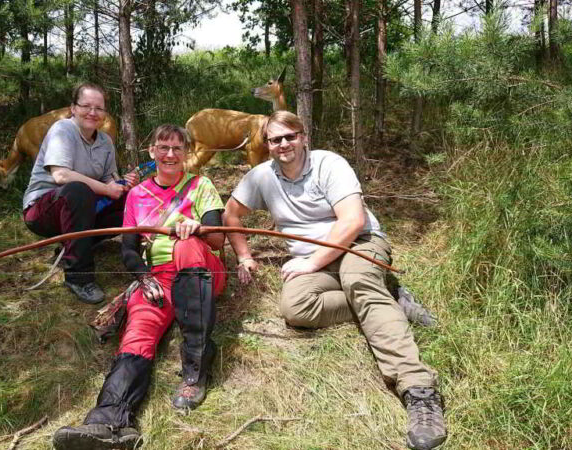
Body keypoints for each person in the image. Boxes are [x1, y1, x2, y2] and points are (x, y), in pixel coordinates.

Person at [222, 111, 447, 450]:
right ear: (266, 145)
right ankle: (389, 295)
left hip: (360, 244)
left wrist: (312, 261)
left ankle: (419, 391)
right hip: (314, 261)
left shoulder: (329, 164)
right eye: (274, 139)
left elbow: (353, 221)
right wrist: (244, 255)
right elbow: (231, 215)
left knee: (359, 282)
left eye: (289, 136)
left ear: (303, 137)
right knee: (296, 308)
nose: (283, 144)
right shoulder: (261, 177)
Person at [52, 124, 226, 449]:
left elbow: (219, 238)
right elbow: (129, 250)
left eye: (177, 148)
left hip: (201, 270)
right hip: (157, 278)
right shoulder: (137, 194)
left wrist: (198, 228)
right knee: (138, 333)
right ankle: (110, 422)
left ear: (186, 153)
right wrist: (143, 278)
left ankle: (195, 372)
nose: (170, 154)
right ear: (152, 152)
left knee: (185, 247)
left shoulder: (201, 185)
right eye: (163, 147)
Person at [22, 83, 137, 305]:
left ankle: (80, 245)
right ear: (73, 108)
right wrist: (106, 189)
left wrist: (123, 184)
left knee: (131, 198)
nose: (93, 113)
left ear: (105, 113)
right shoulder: (63, 130)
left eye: (99, 108)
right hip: (42, 210)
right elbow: (61, 176)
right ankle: (79, 277)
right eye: (86, 106)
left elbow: (109, 180)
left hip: (82, 209)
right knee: (77, 190)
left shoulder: (105, 142)